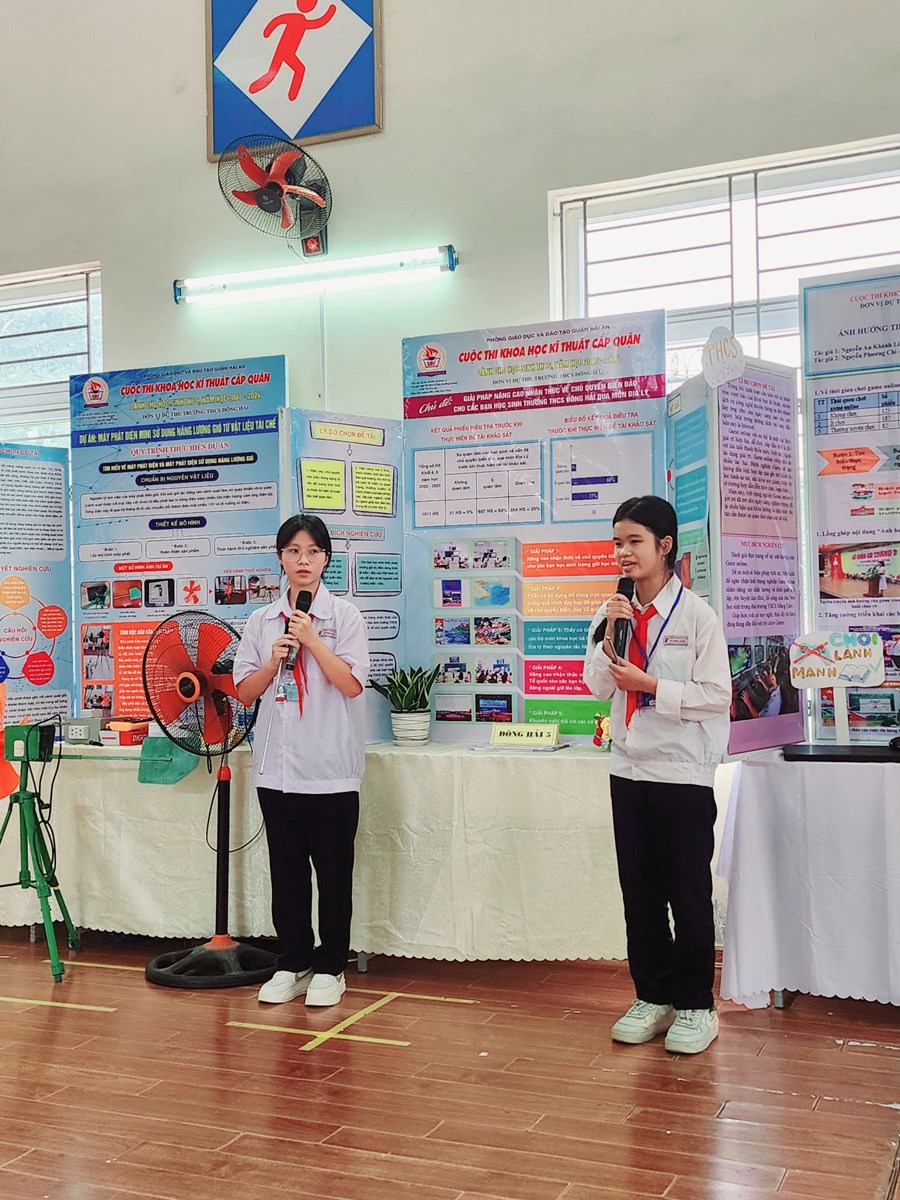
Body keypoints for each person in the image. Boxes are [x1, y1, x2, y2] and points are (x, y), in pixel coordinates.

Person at [583, 495, 730, 1055]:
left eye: (634, 541)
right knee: (639, 893)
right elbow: (597, 685)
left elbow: (716, 696)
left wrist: (651, 687)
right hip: (628, 769)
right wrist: (609, 635)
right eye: (617, 542)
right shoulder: (612, 611)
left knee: (686, 893)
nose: (623, 552)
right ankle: (653, 996)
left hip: (683, 773)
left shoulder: (697, 616)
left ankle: (695, 1005)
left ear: (664, 545)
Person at [234, 513, 370, 1008]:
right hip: (278, 770)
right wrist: (274, 660)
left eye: (312, 551)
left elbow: (351, 684)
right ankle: (292, 962)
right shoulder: (260, 621)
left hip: (331, 771)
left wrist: (312, 640)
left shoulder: (345, 617)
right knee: (287, 873)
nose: (303, 560)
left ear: (326, 558)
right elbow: (244, 691)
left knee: (333, 875)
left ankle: (331, 967)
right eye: (293, 551)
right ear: (281, 558)